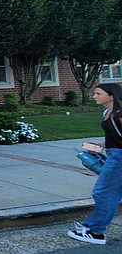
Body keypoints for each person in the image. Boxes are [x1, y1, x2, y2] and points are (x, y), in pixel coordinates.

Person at [67, 83, 122, 245]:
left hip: (119, 158)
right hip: (114, 154)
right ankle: (93, 227)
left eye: (98, 93)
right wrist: (101, 145)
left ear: (111, 96)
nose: (94, 96)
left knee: (103, 193)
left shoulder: (119, 114)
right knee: (109, 192)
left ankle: (96, 232)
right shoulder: (108, 112)